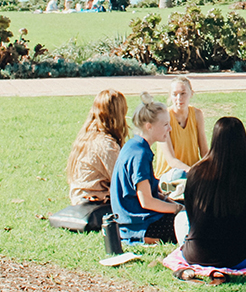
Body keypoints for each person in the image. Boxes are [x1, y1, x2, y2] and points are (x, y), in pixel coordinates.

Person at [174, 117, 246, 269]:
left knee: (180, 218)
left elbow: (191, 216)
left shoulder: (196, 172)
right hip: (238, 257)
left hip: (195, 254)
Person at [111, 94, 183, 244]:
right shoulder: (140, 154)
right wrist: (177, 209)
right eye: (165, 125)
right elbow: (146, 202)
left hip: (132, 219)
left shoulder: (134, 145)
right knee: (192, 220)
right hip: (139, 224)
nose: (169, 129)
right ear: (149, 126)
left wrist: (172, 203)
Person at [66, 89, 128, 206]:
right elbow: (123, 182)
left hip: (80, 198)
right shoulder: (105, 145)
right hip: (94, 202)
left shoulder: (88, 136)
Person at [153, 76, 209, 182]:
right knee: (179, 175)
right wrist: (192, 172)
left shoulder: (197, 114)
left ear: (191, 93)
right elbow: (171, 160)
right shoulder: (163, 117)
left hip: (192, 173)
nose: (179, 98)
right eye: (175, 94)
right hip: (171, 174)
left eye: (183, 93)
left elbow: (204, 152)